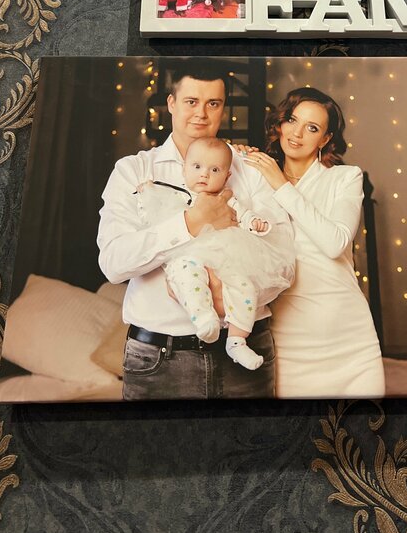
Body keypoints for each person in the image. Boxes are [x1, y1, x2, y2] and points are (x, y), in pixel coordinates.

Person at [97, 61, 294, 399]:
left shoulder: (249, 168)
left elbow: (285, 262)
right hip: (159, 358)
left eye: (213, 103)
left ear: (223, 108)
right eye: (191, 101)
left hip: (247, 353)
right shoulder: (134, 170)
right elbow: (113, 264)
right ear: (172, 103)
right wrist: (192, 222)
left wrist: (225, 297)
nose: (201, 114)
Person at [241, 87, 385, 398]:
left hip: (348, 333)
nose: (297, 133)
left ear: (325, 139)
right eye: (292, 120)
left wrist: (281, 185)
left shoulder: (345, 177)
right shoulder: (256, 177)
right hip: (287, 334)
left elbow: (335, 243)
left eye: (312, 127)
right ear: (280, 123)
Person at [136, 136, 295, 370]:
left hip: (226, 255)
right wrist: (146, 195)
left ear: (227, 176)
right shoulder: (177, 194)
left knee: (245, 286)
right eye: (197, 167)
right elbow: (153, 216)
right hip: (190, 254)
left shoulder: (227, 198)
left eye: (214, 170)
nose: (204, 174)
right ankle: (204, 318)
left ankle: (236, 340)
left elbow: (244, 215)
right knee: (187, 275)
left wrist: (256, 223)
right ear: (184, 169)